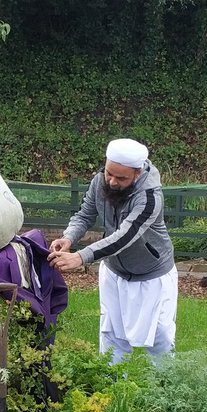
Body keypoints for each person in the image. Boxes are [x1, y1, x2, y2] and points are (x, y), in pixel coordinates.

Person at [48, 138, 177, 362]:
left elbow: (124, 236)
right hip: (114, 272)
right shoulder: (100, 181)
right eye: (109, 173)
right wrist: (69, 238)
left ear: (137, 173)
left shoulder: (149, 198)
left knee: (160, 337)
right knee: (111, 335)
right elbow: (85, 214)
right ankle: (112, 387)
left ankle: (162, 390)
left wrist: (81, 257)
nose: (112, 182)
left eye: (121, 178)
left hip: (152, 274)